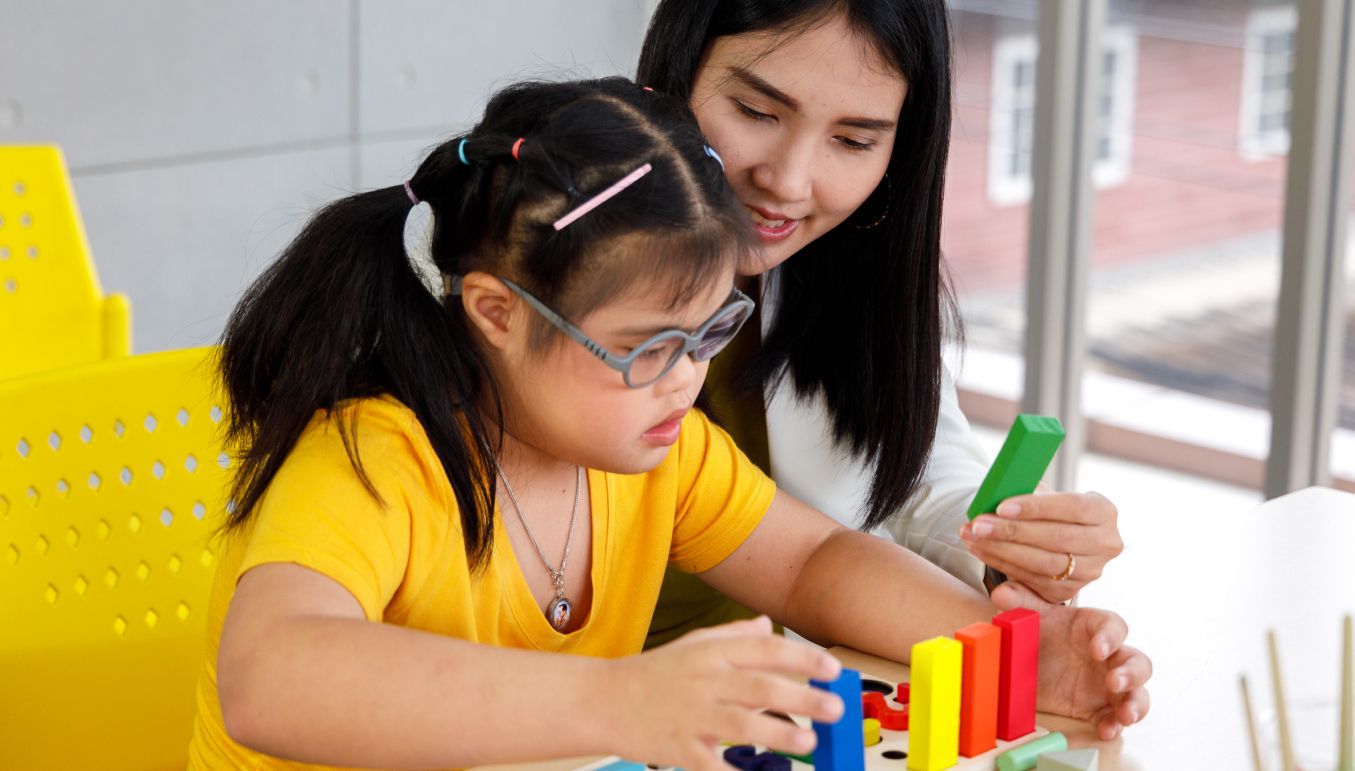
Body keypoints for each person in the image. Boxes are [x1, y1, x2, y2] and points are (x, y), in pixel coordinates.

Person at [187, 77, 1149, 771]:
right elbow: (270, 676)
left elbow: (814, 565)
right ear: (497, 311)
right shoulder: (373, 460)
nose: (686, 379)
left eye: (710, 333)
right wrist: (620, 700)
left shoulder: (655, 450)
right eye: (647, 346)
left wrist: (1009, 651)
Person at [637, 0, 1126, 648]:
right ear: (673, 74)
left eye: (853, 140)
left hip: (783, 705)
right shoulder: (554, 274)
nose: (787, 181)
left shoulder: (848, 267)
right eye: (757, 112)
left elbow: (915, 475)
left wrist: (1013, 542)